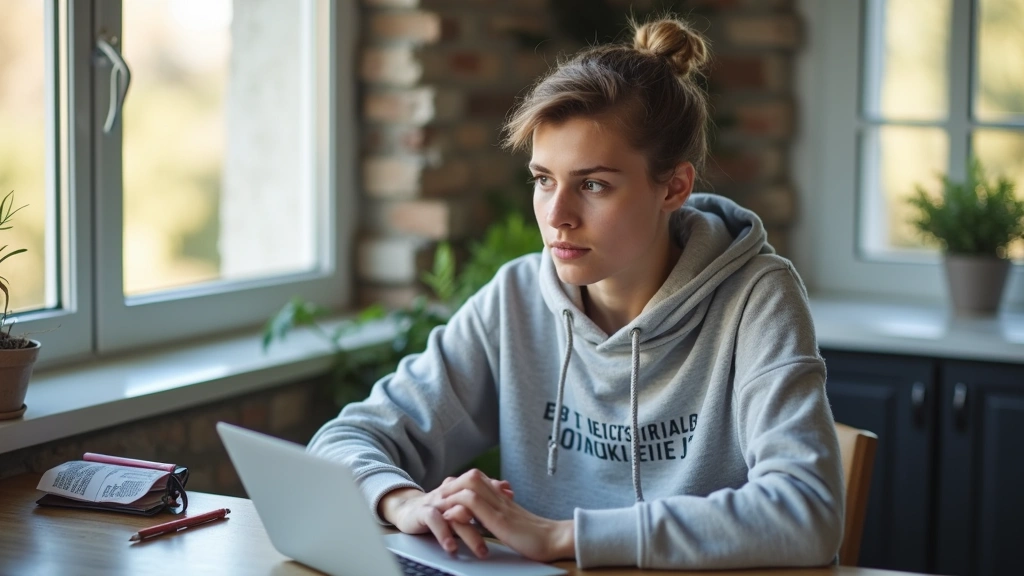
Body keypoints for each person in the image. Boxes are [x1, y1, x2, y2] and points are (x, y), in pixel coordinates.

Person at [307, 16, 843, 570]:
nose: (557, 215)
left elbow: (808, 510)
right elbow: (346, 439)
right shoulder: (517, 297)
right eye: (544, 179)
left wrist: (561, 537)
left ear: (674, 187)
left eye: (593, 184)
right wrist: (403, 502)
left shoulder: (757, 298)